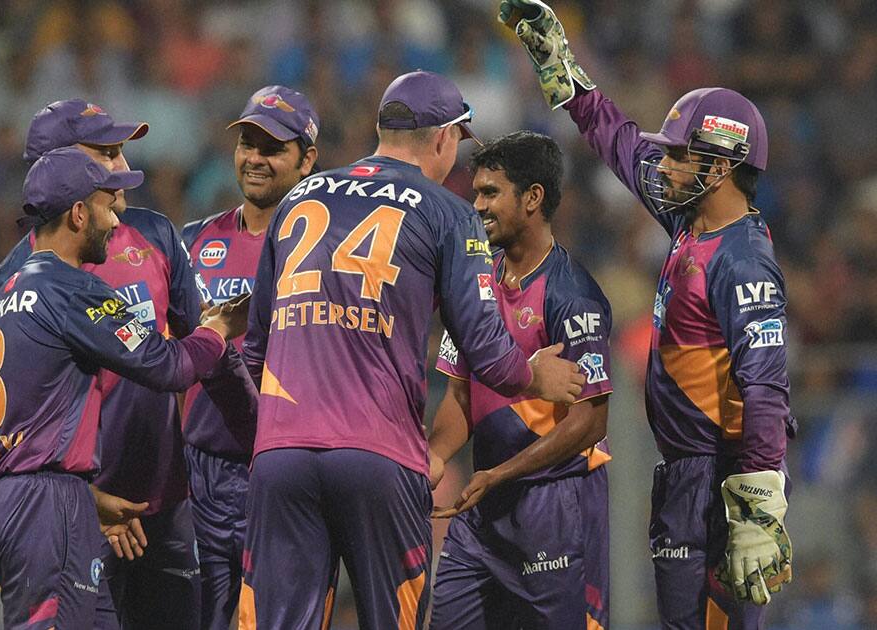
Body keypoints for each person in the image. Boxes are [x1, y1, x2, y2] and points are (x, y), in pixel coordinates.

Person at [238, 70, 586, 629]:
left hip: (280, 455)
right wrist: (538, 376)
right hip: (380, 455)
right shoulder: (449, 213)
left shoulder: (299, 197)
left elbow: (255, 351)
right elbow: (488, 353)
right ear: (445, 138)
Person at [500, 2, 796, 627]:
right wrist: (565, 70)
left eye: (678, 156)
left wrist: (758, 505)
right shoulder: (690, 220)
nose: (661, 165)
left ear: (719, 166)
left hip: (719, 484)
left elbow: (765, 388)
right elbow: (619, 141)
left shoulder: (743, 261)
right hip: (685, 477)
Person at [0, 99, 250, 629]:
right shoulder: (59, 279)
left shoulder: (151, 237)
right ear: (66, 184)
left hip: (154, 503)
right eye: (105, 155)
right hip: (70, 506)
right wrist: (219, 329)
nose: (122, 168)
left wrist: (257, 437)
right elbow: (172, 360)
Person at [428, 131, 613, 630]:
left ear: (533, 198)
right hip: (484, 510)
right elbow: (460, 395)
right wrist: (436, 458)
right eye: (476, 193)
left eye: (491, 193)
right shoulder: (473, 286)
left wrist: (499, 475)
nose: (478, 205)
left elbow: (590, 422)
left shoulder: (573, 296)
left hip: (554, 507)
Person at [181, 85, 319, 630]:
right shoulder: (194, 240)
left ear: (308, 159)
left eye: (273, 147)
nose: (255, 158)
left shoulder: (323, 251)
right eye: (247, 143)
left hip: (279, 469)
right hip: (200, 473)